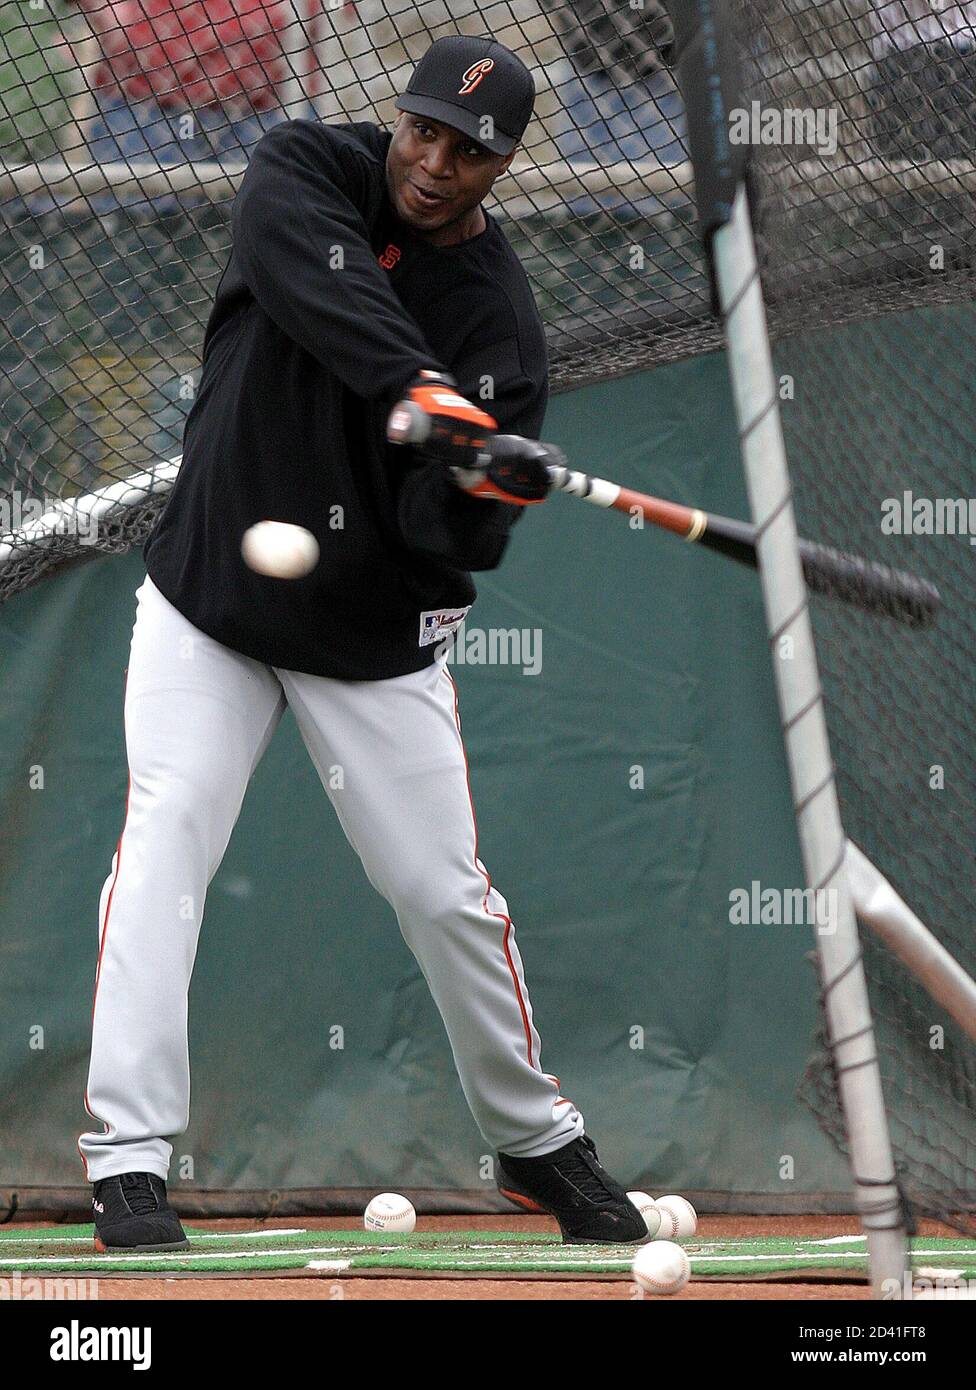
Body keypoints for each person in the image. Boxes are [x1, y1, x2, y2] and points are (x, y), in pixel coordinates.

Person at [79, 34, 647, 1251]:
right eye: (424, 131)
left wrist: (479, 483)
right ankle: (127, 1161)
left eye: (469, 152)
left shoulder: (499, 328)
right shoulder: (304, 169)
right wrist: (417, 388)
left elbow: (456, 547)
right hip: (209, 602)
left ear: (503, 166)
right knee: (166, 840)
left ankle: (536, 1143)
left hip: (367, 638)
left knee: (442, 893)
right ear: (396, 117)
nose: (434, 165)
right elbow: (317, 287)